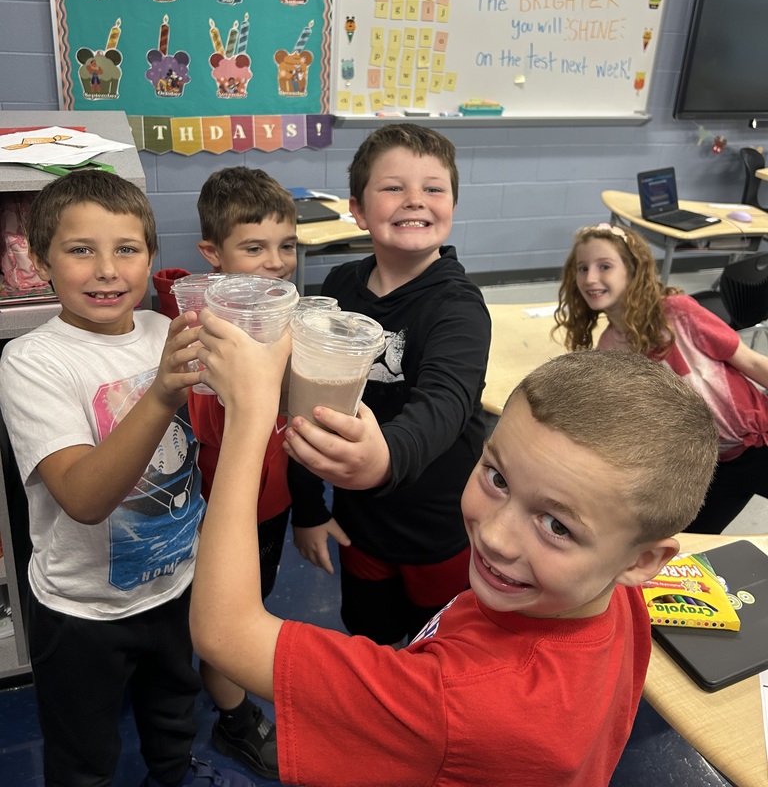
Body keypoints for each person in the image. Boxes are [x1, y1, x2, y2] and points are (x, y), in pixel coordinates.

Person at [189, 320, 719, 787]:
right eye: (497, 477)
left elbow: (223, 632)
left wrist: (249, 417)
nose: (495, 536)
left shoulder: (454, 703)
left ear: (641, 561)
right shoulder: (609, 588)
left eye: (557, 525)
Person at [0, 170, 253, 787]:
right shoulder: (34, 362)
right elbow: (84, 498)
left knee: (172, 713)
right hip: (83, 609)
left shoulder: (162, 330)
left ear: (150, 256)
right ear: (40, 260)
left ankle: (174, 772)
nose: (107, 270)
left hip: (176, 585)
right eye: (81, 250)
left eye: (127, 249)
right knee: (84, 752)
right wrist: (163, 393)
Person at [287, 124, 492, 645]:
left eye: (433, 188)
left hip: (440, 530)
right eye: (394, 187)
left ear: (452, 204)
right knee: (370, 635)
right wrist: (310, 509)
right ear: (357, 210)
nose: (415, 200)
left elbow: (445, 403)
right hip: (363, 525)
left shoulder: (458, 308)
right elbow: (306, 406)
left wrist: (386, 458)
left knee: (439, 650)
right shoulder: (338, 287)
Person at [156, 167, 298, 780]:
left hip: (272, 502)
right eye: (254, 248)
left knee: (252, 600)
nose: (276, 263)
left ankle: (227, 699)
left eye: (287, 245)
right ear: (213, 255)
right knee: (220, 617)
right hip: (216, 510)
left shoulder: (282, 319)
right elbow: (210, 432)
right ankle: (235, 721)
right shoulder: (200, 335)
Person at [554, 221, 768, 533]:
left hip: (759, 442)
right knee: (686, 548)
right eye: (582, 268)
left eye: (605, 266)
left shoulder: (678, 312)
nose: (591, 278)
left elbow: (750, 361)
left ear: (632, 270)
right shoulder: (609, 348)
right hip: (707, 468)